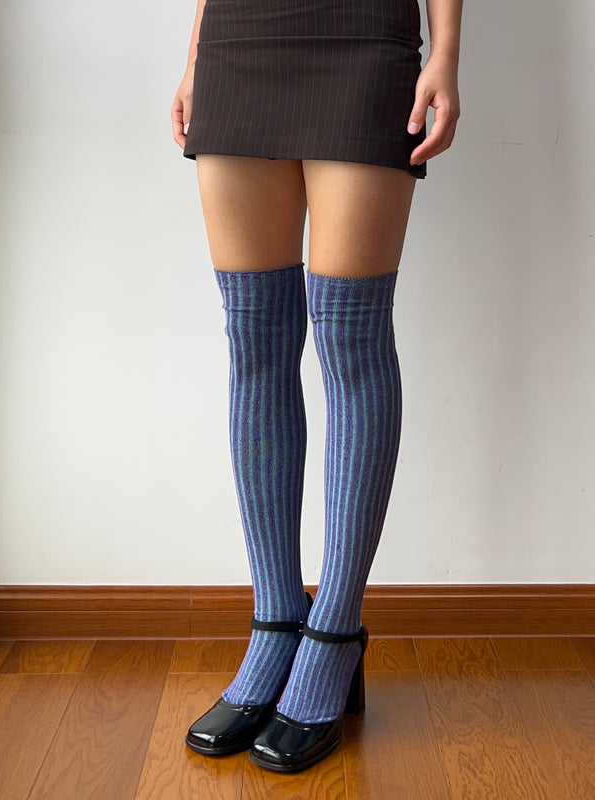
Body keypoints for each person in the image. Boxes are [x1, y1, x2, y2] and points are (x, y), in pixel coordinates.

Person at [171, 0, 462, 774]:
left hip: (365, 38)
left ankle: (333, 630)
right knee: (254, 337)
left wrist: (445, 51)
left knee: (351, 337)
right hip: (239, 38)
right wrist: (196, 54)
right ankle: (275, 621)